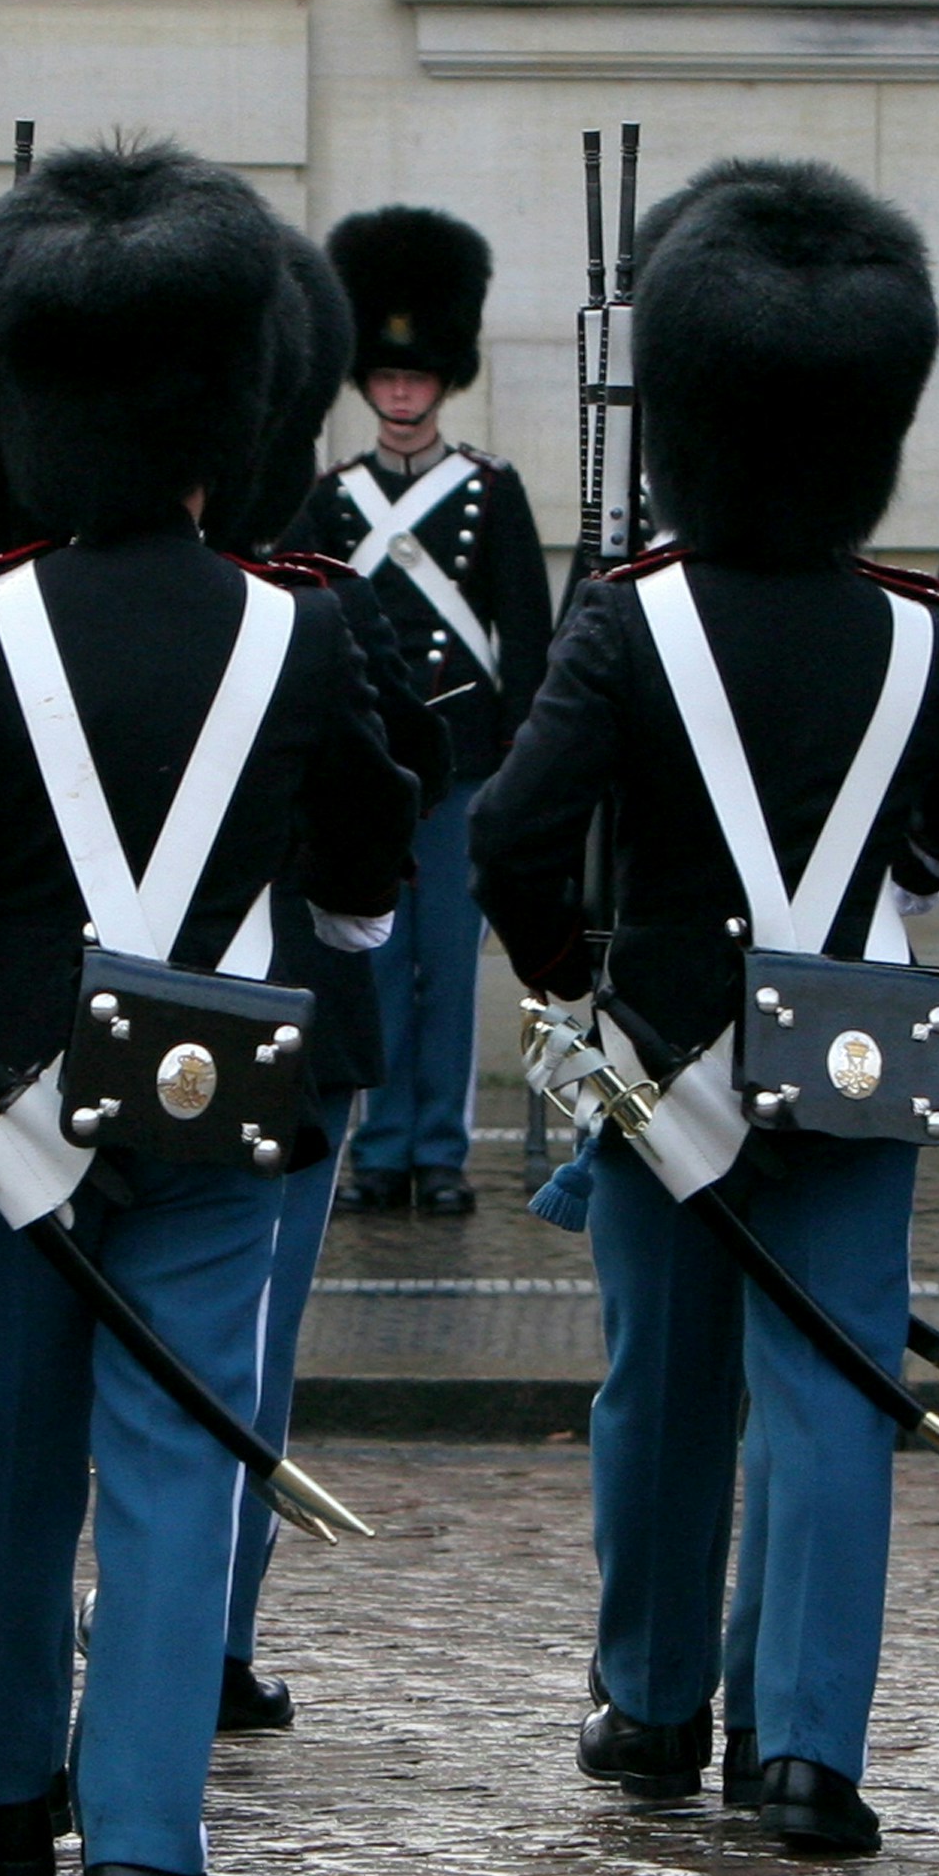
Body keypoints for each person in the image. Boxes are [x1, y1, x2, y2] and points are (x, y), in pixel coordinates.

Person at [0, 140, 416, 1876]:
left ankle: (5, 1772)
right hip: (221, 1095)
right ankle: (146, 1838)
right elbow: (361, 875)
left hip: (17, 1097)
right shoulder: (299, 622)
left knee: (6, 1448)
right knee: (180, 1452)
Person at [471, 157, 939, 1856]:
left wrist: (568, 968)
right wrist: (891, 880)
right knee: (832, 1391)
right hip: (855, 1037)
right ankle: (803, 1746)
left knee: (658, 1393)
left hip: (661, 1051)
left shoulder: (629, 623)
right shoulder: (920, 631)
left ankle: (647, 1699)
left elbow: (509, 833)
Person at [214, 222, 453, 1738]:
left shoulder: (16, 601)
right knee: (245, 1351)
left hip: (67, 1036)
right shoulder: (318, 599)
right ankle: (209, 1636)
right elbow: (389, 800)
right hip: (291, 1019)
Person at [286, 206, 551, 1217]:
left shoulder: (492, 490)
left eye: (417, 377)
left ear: (443, 380)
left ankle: (439, 1147)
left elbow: (526, 630)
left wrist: (523, 750)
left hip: (464, 760)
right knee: (372, 961)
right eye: (388, 378)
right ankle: (378, 1144)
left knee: (444, 962)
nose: (401, 392)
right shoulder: (333, 497)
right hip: (366, 764)